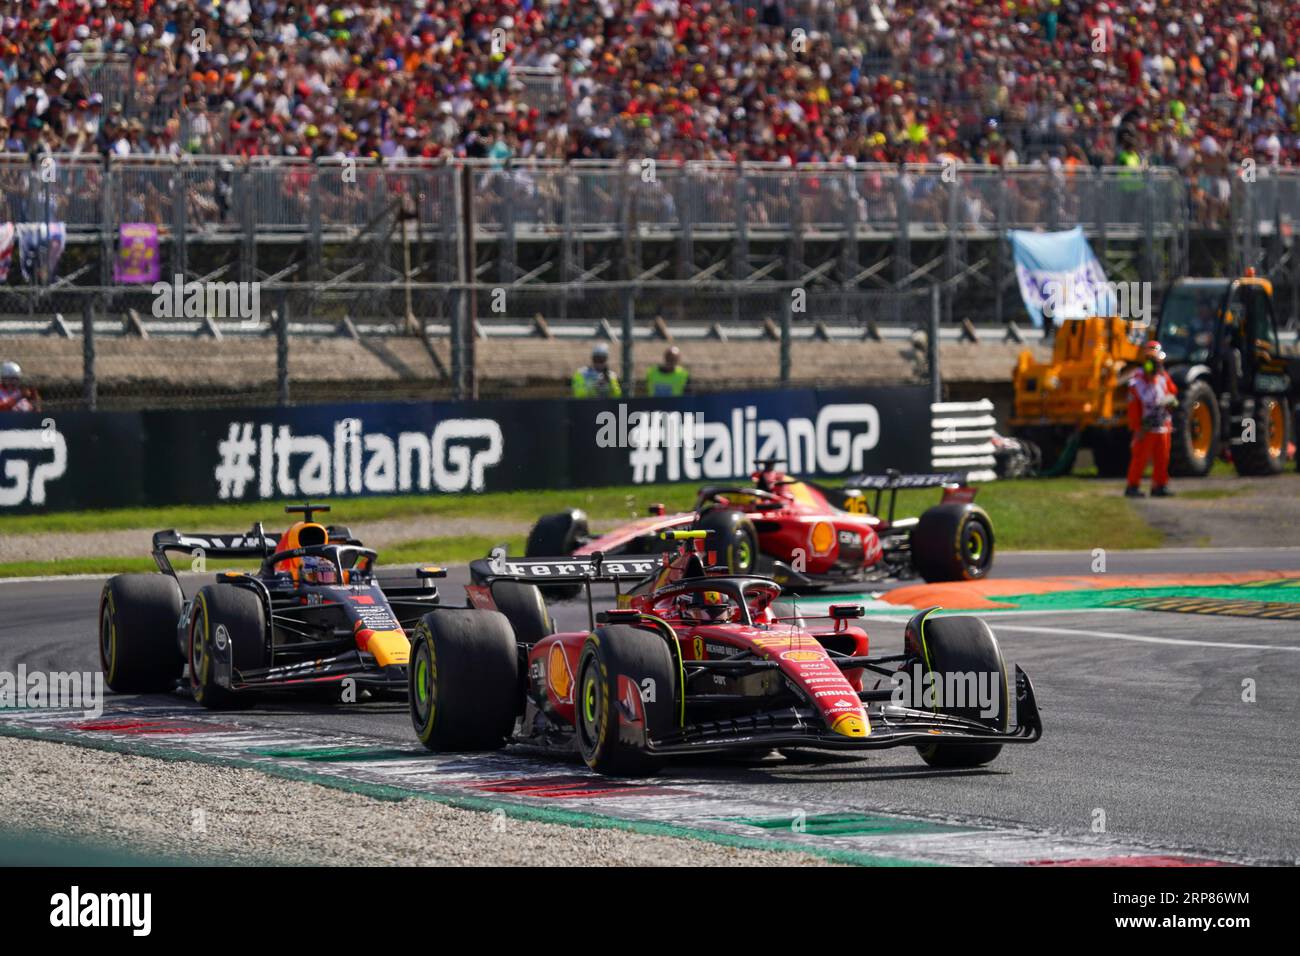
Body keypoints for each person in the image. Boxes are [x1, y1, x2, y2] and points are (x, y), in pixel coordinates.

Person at [1125, 341, 1179, 498]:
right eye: (1150, 361)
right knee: (1140, 457)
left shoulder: (1163, 377)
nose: (1154, 365)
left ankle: (1160, 486)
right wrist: (1138, 427)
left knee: (1163, 457)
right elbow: (1134, 403)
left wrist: (1171, 403)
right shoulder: (1137, 379)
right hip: (1145, 426)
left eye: (1156, 361)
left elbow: (1172, 393)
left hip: (1162, 425)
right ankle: (1132, 486)